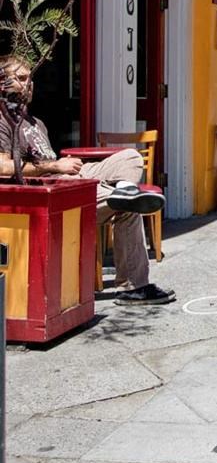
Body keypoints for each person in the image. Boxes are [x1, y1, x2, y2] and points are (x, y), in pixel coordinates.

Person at [0, 55, 175, 305]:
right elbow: (3, 166)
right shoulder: (2, 121)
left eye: (29, 78)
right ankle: (135, 286)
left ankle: (124, 191)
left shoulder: (35, 122)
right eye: (20, 78)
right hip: (54, 190)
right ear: (2, 83)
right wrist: (55, 166)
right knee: (128, 208)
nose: (29, 84)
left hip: (69, 177)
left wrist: (64, 167)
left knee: (130, 157)